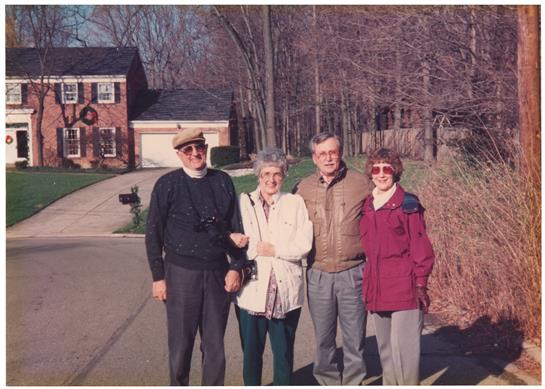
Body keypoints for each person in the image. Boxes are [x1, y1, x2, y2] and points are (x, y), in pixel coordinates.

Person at [145, 128, 249, 386]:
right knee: (180, 346)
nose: (195, 154)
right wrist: (158, 277)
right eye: (187, 150)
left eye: (199, 147)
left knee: (214, 348)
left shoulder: (222, 180)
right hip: (180, 274)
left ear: (205, 148)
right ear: (179, 154)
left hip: (216, 273)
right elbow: (153, 233)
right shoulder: (168, 184)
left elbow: (236, 230)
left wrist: (236, 266)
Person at [293, 132, 371, 385]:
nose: (328, 158)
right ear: (314, 158)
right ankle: (327, 381)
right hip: (318, 273)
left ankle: (353, 382)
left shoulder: (362, 183)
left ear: (341, 153)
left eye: (332, 152)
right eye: (322, 154)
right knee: (324, 338)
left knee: (354, 337)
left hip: (353, 272)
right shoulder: (302, 188)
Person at [235, 148, 313, 385]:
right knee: (251, 356)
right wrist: (236, 240)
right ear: (258, 175)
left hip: (284, 293)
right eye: (266, 173)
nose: (271, 179)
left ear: (284, 175)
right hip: (251, 293)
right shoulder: (243, 203)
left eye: (277, 174)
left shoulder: (294, 203)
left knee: (283, 355)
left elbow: (304, 244)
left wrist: (275, 250)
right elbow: (238, 245)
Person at [359, 148, 435, 385]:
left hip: (404, 287)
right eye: (376, 169)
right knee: (387, 353)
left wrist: (421, 284)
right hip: (377, 287)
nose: (381, 174)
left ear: (395, 171)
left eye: (387, 169)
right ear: (370, 173)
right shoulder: (367, 205)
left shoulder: (408, 204)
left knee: (404, 355)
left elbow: (422, 249)